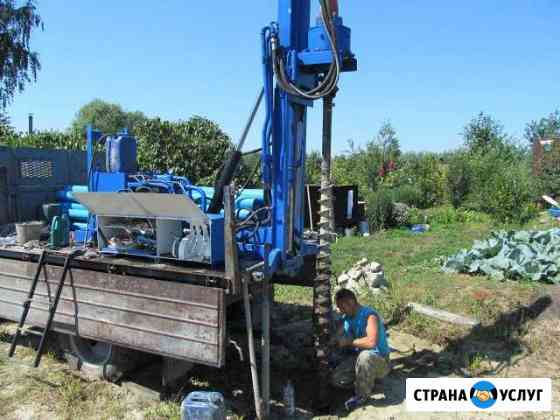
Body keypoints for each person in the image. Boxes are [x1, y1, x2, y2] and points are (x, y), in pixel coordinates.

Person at [330, 288, 391, 411]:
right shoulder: (347, 317)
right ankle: (368, 381)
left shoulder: (369, 315)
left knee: (365, 356)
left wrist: (348, 342)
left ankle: (361, 396)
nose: (340, 310)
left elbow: (371, 342)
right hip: (360, 360)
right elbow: (337, 337)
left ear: (351, 302)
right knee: (336, 379)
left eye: (341, 307)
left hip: (380, 361)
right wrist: (331, 342)